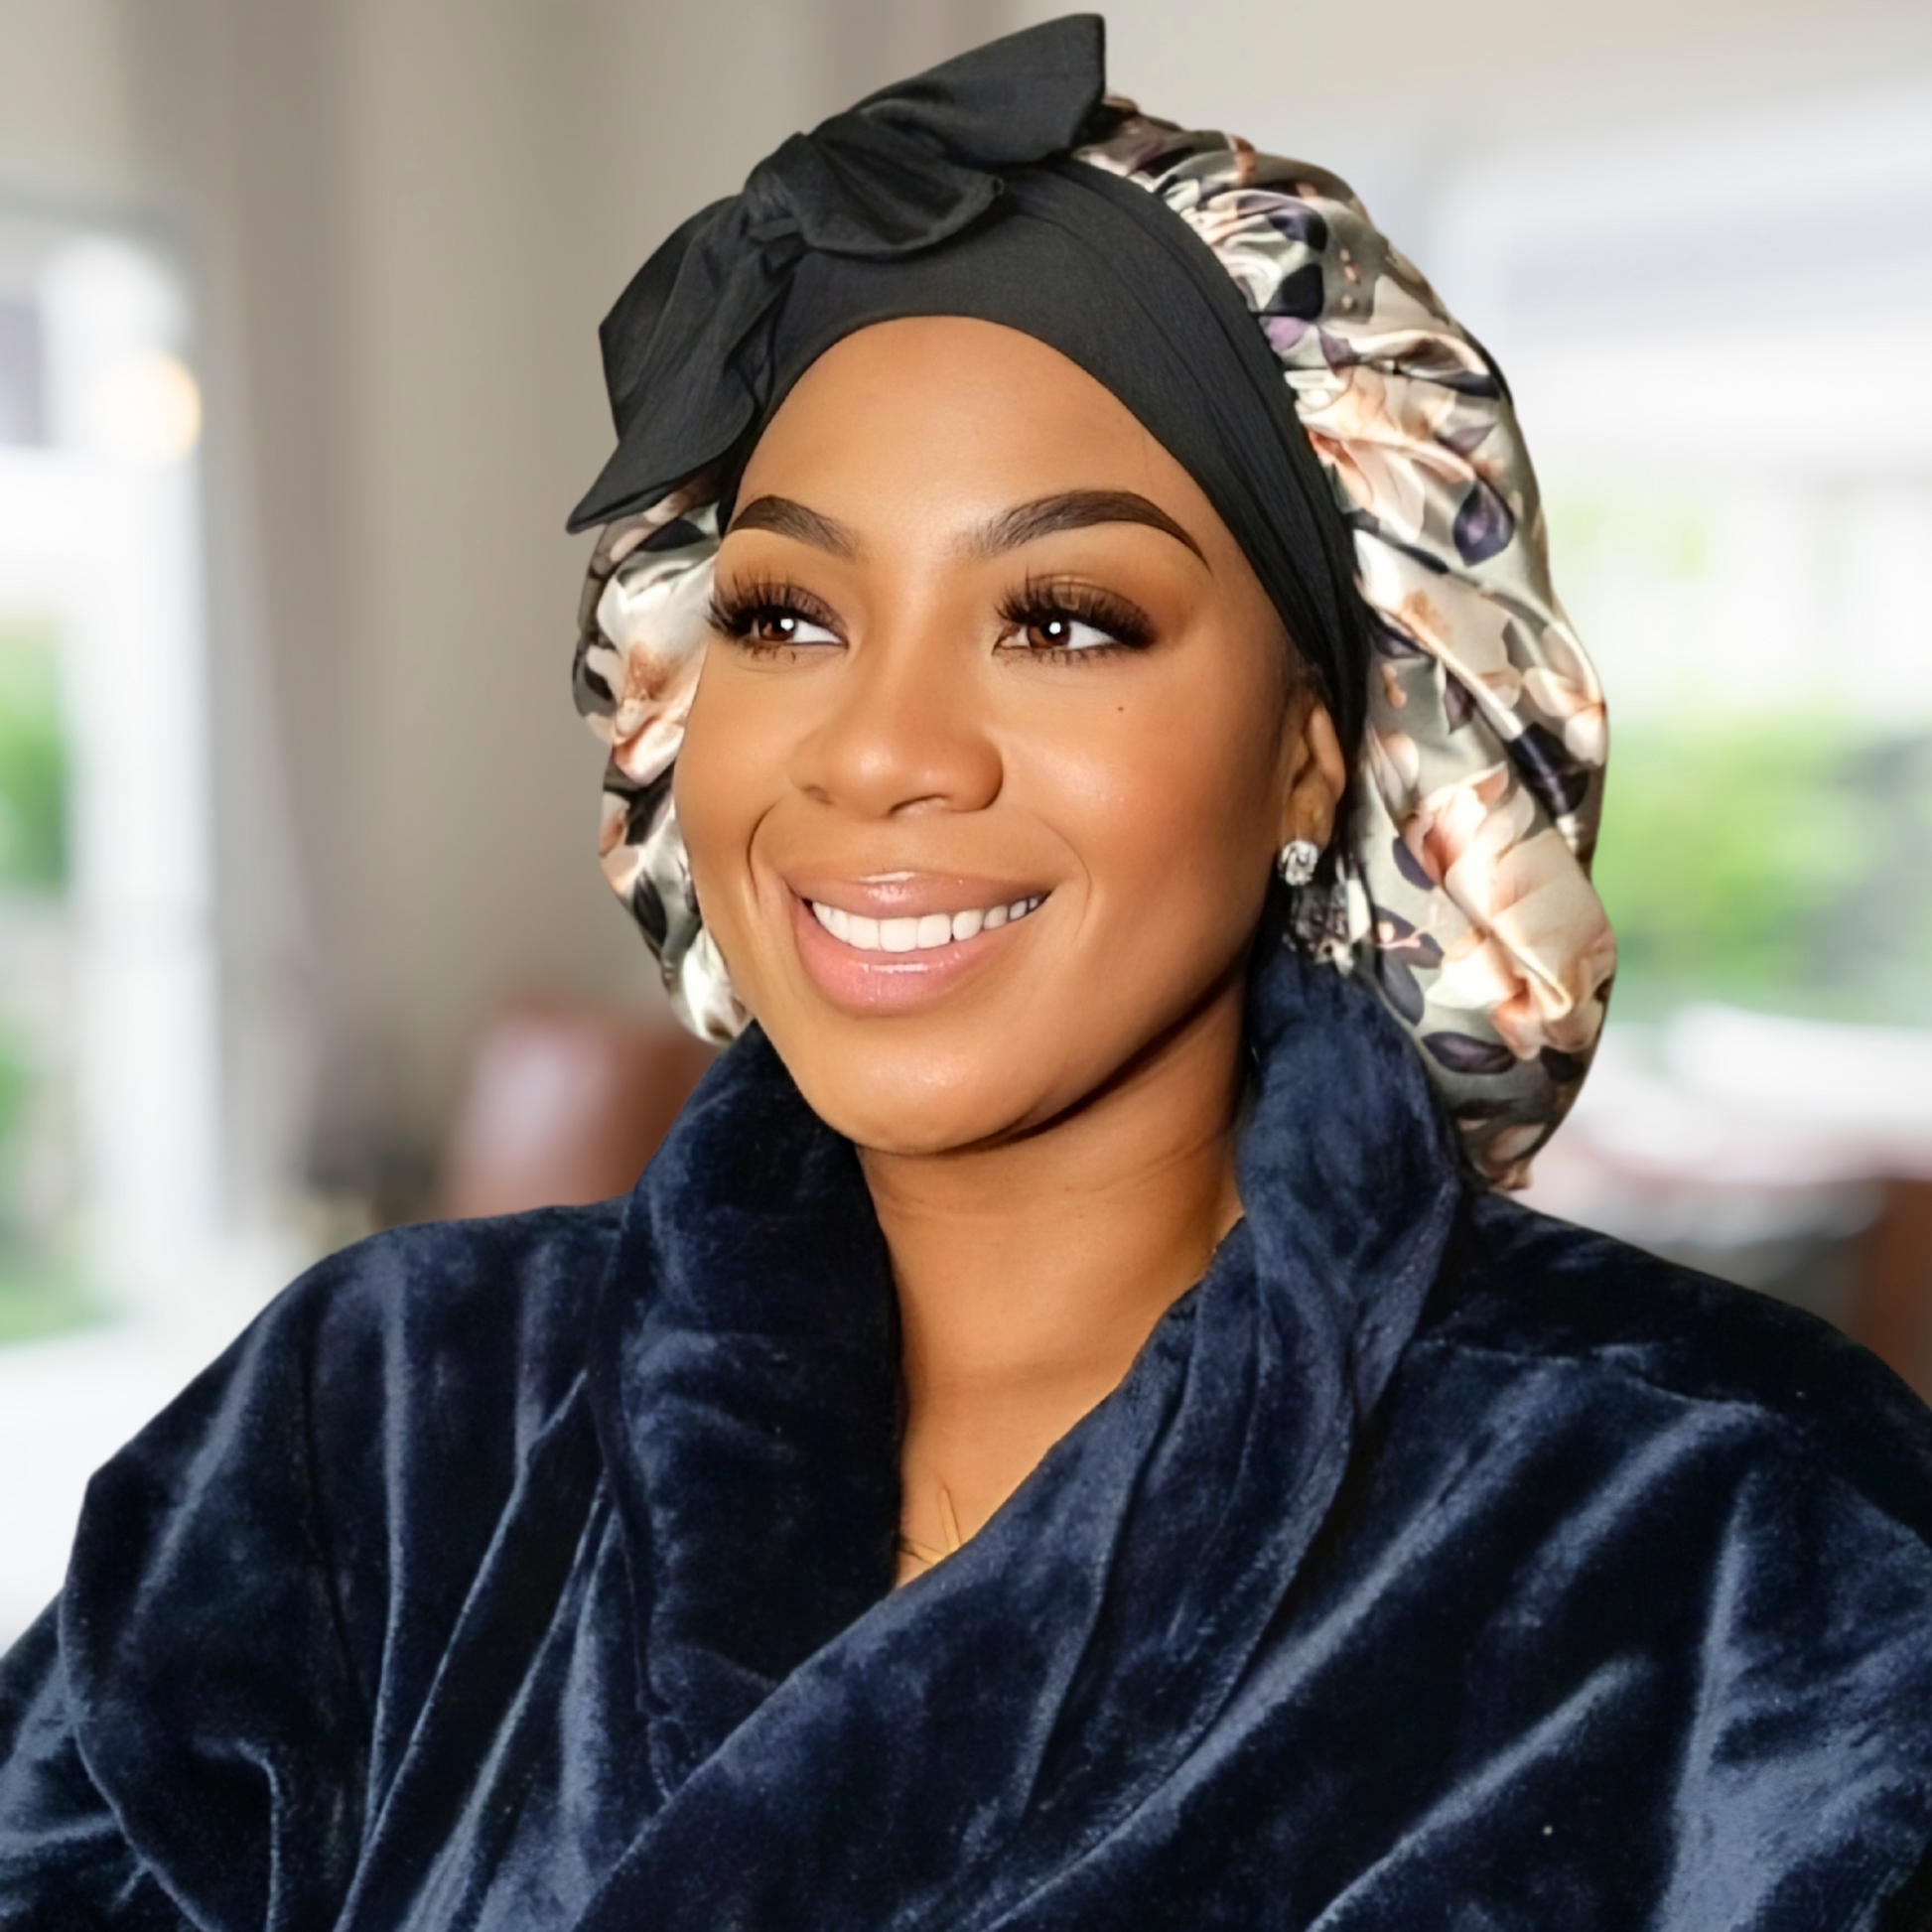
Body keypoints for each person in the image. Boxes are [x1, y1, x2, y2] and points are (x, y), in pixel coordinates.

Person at [4, 17, 1931, 1928]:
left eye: (1063, 618)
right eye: (785, 612)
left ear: (1317, 741)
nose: (876, 748)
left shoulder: (1734, 1523)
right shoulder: (378, 1424)